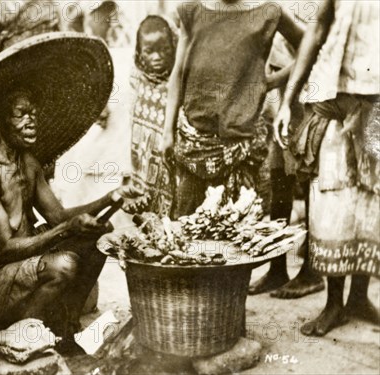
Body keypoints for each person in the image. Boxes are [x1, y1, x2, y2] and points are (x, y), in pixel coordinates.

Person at [0, 33, 139, 357]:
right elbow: (5, 250)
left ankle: (63, 331)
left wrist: (112, 197)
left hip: (14, 268)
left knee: (100, 240)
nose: (32, 121)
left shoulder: (28, 163)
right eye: (21, 114)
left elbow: (57, 216)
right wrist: (67, 231)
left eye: (34, 113)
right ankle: (21, 339)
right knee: (64, 265)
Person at [273, 0, 379, 336]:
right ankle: (334, 303)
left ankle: (358, 298)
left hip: (375, 104)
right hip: (331, 98)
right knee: (331, 199)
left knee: (370, 201)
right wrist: (289, 99)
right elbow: (317, 28)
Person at [160, 0, 303, 217]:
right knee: (188, 234)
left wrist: (272, 81)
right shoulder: (192, 10)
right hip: (193, 148)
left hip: (243, 149)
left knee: (243, 237)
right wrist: (167, 131)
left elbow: (310, 45)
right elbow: (178, 73)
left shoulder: (268, 11)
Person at [248, 34, 325, 298]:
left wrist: (273, 81)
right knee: (280, 177)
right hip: (284, 99)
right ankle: (277, 267)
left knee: (308, 176)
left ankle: (312, 271)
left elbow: (312, 46)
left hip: (309, 94)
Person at [129, 15, 177, 216]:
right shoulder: (135, 79)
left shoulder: (177, 82)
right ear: (140, 53)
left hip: (170, 157)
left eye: (163, 50)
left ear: (173, 49)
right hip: (142, 161)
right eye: (149, 51)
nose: (157, 57)